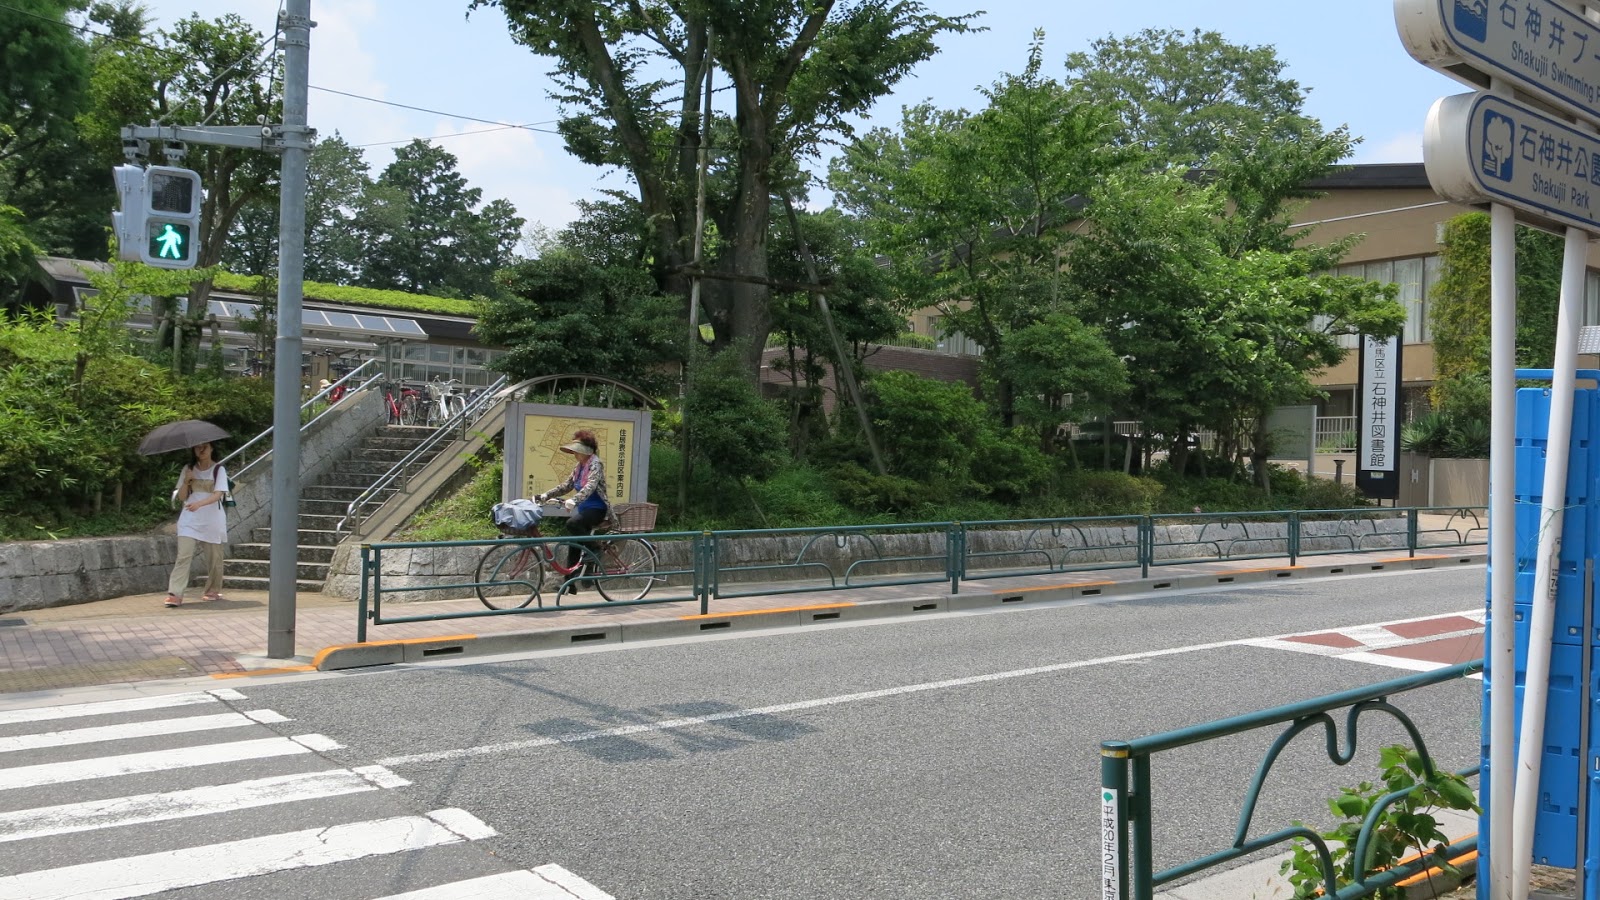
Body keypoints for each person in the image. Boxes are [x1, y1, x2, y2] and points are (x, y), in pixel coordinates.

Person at [534, 430, 616, 591]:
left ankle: (595, 548)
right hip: (585, 510)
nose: (575, 454)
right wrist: (545, 495)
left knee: (572, 524)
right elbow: (566, 485)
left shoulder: (595, 464)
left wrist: (574, 500)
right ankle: (569, 584)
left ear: (587, 450)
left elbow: (591, 486)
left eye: (577, 450)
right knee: (574, 543)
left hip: (597, 509)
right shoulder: (579, 467)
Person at [165, 441, 230, 608]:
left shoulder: (218, 470)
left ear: (211, 449)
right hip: (190, 518)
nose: (201, 450)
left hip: (212, 519)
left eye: (205, 447)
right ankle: (175, 594)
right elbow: (182, 497)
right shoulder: (188, 469)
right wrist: (187, 481)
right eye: (197, 447)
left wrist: (199, 504)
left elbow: (218, 495)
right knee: (183, 555)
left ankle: (212, 589)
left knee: (214, 557)